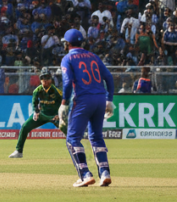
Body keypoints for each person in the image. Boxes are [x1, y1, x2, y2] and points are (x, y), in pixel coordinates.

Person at [58, 29, 115, 187]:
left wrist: (64, 103)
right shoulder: (93, 56)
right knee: (96, 137)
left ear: (67, 44)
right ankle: (104, 173)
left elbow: (68, 82)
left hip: (83, 99)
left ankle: (85, 174)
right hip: (100, 99)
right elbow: (109, 77)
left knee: (72, 139)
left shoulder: (67, 58)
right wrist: (109, 100)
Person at [10, 67, 67, 158]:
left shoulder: (56, 91)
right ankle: (18, 151)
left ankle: (75, 148)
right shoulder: (37, 91)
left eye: (48, 78)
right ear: (40, 80)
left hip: (55, 116)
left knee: (68, 131)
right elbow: (34, 103)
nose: (45, 80)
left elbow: (63, 104)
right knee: (25, 127)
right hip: (42, 115)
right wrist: (36, 112)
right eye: (43, 78)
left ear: (51, 79)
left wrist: (60, 114)